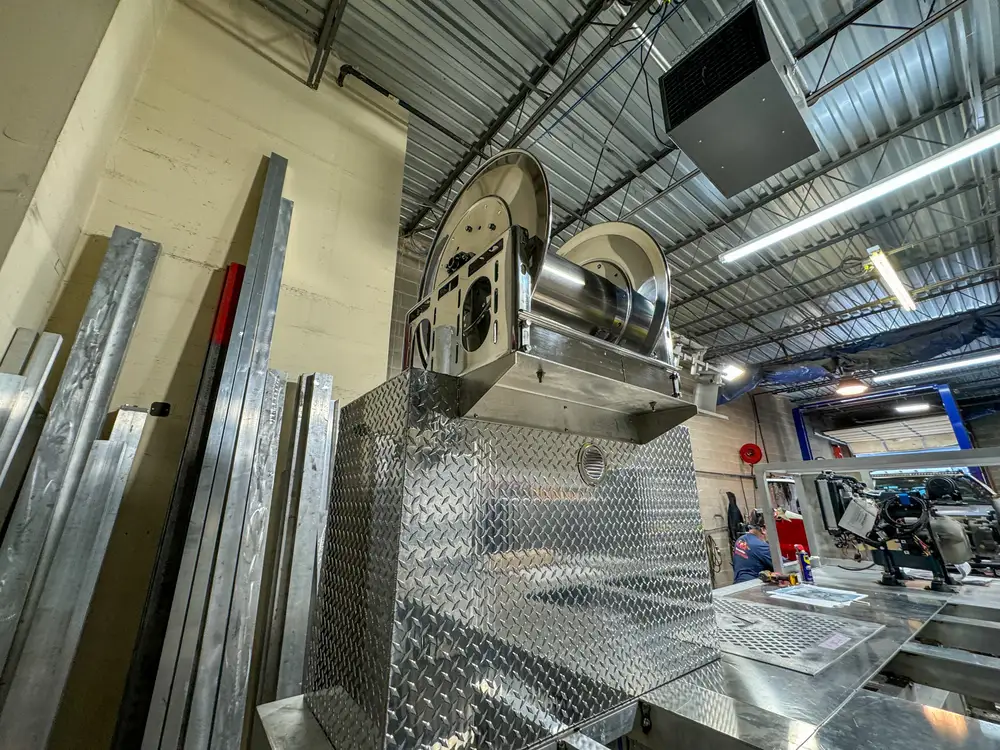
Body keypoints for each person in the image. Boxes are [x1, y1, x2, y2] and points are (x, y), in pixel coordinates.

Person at [732, 510, 774, 583]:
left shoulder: (740, 540)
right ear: (763, 530)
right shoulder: (761, 546)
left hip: (738, 585)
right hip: (754, 586)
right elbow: (784, 566)